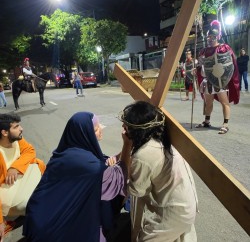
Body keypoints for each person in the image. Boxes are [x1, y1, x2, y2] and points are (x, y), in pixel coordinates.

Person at [23, 112, 129, 242]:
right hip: (59, 232)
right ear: (85, 134)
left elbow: (99, 164)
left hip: (39, 219)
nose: (101, 130)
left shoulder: (64, 153)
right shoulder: (91, 166)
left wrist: (111, 161)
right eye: (96, 129)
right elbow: (120, 177)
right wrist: (127, 145)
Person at [118, 101, 198, 242]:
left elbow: (137, 191)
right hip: (188, 205)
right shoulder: (164, 140)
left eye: (127, 126)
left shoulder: (143, 154)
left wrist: (127, 145)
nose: (124, 129)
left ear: (137, 130)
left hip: (174, 212)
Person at [0, 114, 46, 241]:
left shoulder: (16, 139)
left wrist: (15, 167)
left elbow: (30, 150)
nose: (21, 129)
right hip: (5, 194)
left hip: (15, 181)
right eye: (16, 126)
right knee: (31, 203)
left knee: (37, 163)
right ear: (4, 132)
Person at [196, 20, 240, 134]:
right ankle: (207, 121)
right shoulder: (204, 51)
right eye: (208, 37)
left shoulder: (224, 48)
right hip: (208, 81)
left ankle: (225, 124)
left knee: (224, 103)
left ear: (217, 36)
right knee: (208, 103)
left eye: (212, 36)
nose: (209, 39)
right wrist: (197, 66)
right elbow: (200, 65)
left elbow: (231, 64)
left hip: (220, 80)